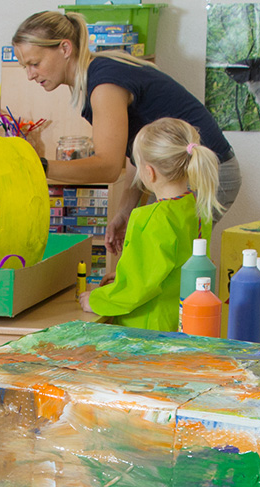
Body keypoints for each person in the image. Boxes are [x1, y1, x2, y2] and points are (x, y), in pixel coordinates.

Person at [12, 10, 241, 256]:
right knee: (155, 256)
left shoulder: (104, 85)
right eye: (25, 66)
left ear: (65, 48)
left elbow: (108, 167)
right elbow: (137, 151)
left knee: (159, 260)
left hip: (205, 172)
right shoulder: (99, 72)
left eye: (35, 63)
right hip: (189, 172)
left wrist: (39, 167)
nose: (30, 75)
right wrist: (125, 211)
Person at [79, 118, 220, 331]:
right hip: (180, 322)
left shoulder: (150, 218)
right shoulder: (197, 208)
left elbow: (136, 290)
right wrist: (124, 274)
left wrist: (97, 300)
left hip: (147, 329)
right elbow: (168, 268)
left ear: (149, 172)